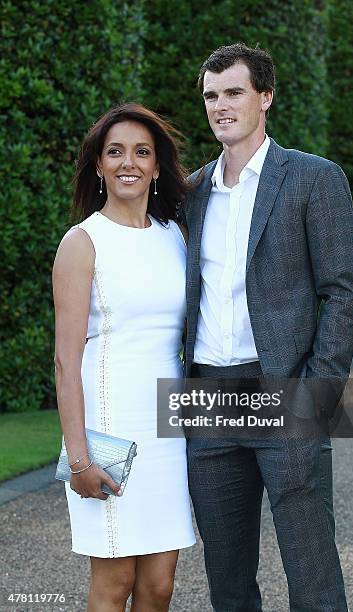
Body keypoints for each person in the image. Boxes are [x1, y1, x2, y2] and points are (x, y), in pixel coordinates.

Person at [183, 44, 353, 611]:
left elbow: (343, 289)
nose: (220, 105)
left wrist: (319, 390)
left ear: (266, 97)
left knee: (312, 573)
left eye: (233, 92)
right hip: (208, 397)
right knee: (227, 579)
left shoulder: (314, 178)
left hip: (283, 391)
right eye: (211, 96)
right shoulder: (190, 193)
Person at [53, 103, 195, 612]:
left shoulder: (175, 238)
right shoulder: (83, 242)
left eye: (141, 152)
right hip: (109, 434)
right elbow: (66, 363)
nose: (127, 162)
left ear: (157, 166)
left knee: (159, 587)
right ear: (98, 165)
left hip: (167, 434)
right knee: (114, 586)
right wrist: (79, 459)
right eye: (114, 151)